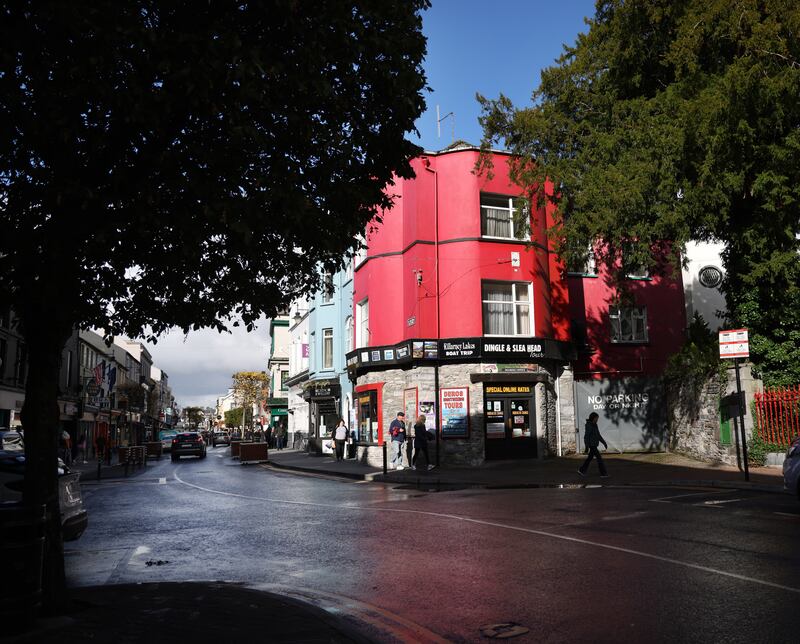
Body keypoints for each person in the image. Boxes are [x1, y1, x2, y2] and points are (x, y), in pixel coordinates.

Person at [578, 412, 609, 477]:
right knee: (599, 458)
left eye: (597, 418)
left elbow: (598, 435)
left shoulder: (595, 425)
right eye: (596, 418)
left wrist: (604, 443)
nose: (597, 419)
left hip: (594, 444)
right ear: (593, 418)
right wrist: (587, 446)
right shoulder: (589, 425)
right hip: (592, 445)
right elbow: (586, 436)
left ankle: (581, 470)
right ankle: (603, 473)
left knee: (589, 458)